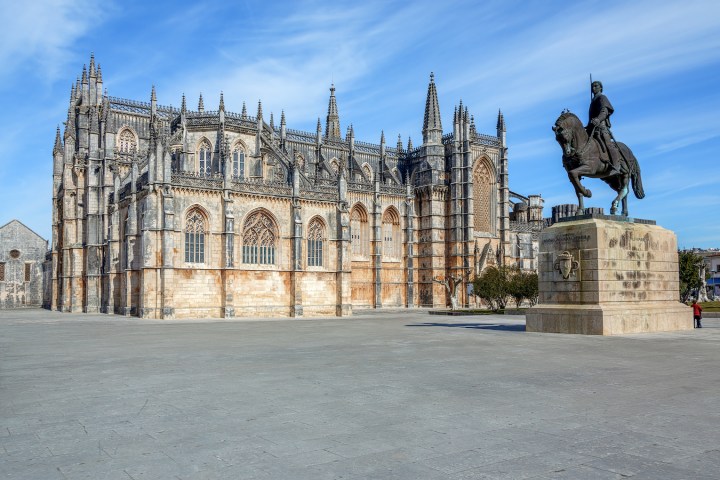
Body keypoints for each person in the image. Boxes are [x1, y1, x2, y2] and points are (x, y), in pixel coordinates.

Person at [587, 81, 622, 176]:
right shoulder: (592, 102)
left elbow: (604, 111)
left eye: (596, 86)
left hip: (601, 127)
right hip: (592, 129)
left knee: (608, 144)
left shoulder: (602, 98)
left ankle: (616, 166)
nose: (593, 88)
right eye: (592, 86)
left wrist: (598, 119)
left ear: (601, 88)